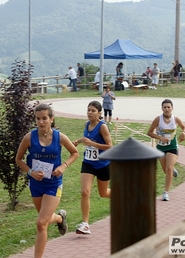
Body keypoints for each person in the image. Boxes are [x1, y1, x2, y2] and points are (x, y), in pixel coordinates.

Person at [15, 104, 79, 258]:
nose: (41, 122)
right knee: (46, 218)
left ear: (51, 119)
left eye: (44, 118)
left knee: (41, 223)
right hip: (36, 184)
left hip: (53, 184)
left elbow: (75, 153)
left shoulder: (60, 137)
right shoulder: (29, 138)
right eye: (38, 118)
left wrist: (63, 166)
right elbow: (18, 159)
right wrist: (30, 172)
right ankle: (60, 218)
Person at [72, 101, 112, 235]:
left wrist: (93, 144)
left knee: (104, 193)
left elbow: (109, 146)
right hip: (88, 163)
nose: (90, 112)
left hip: (103, 164)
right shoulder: (87, 124)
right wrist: (78, 141)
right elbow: (86, 137)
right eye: (88, 110)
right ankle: (85, 224)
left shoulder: (102, 127)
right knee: (85, 192)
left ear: (100, 113)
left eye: (93, 110)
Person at [147, 99, 185, 201]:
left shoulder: (176, 119)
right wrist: (160, 138)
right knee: (166, 170)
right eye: (164, 107)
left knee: (168, 168)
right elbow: (149, 132)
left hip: (172, 146)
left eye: (168, 107)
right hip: (161, 147)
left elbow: (184, 127)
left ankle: (165, 193)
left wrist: (184, 133)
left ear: (172, 108)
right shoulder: (158, 119)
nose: (167, 109)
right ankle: (172, 170)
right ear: (162, 108)